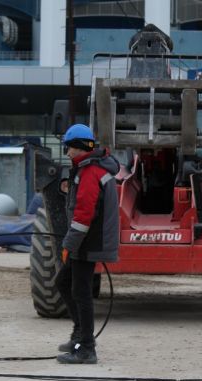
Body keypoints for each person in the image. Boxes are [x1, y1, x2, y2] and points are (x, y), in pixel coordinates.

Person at [54, 124, 120, 364]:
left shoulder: (91, 172)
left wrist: (68, 245)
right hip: (86, 239)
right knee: (63, 281)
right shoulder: (86, 169)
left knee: (80, 292)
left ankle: (86, 349)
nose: (67, 153)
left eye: (69, 148)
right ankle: (80, 334)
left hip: (89, 241)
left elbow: (83, 216)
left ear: (81, 147)